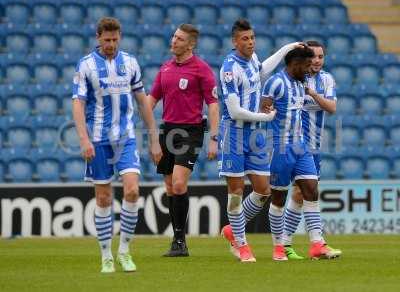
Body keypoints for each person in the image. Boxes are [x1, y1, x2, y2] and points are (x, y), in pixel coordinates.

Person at [72, 17, 162, 273]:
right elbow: (77, 103)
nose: (111, 44)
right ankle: (106, 256)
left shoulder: (130, 63)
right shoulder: (86, 65)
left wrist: (154, 139)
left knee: (132, 191)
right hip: (98, 139)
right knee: (103, 197)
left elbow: (143, 101)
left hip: (126, 138)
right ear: (98, 38)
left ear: (119, 37)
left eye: (115, 39)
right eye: (107, 39)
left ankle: (124, 251)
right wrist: (83, 139)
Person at [218, 18, 303, 263]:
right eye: (245, 39)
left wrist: (287, 48)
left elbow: (263, 70)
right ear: (235, 42)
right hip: (234, 132)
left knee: (263, 190)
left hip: (255, 134)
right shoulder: (228, 68)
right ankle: (242, 246)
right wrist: (264, 118)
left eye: (253, 38)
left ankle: (232, 230)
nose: (250, 42)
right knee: (235, 192)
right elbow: (234, 111)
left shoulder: (253, 60)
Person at [260, 46, 338, 261]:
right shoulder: (276, 82)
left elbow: (328, 107)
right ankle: (279, 247)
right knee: (278, 199)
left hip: (301, 147)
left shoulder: (302, 83)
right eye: (305, 64)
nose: (309, 68)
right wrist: (269, 114)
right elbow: (263, 109)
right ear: (294, 64)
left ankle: (316, 244)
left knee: (311, 190)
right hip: (281, 148)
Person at [148, 24, 219, 257]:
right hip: (168, 130)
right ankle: (178, 241)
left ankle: (180, 241)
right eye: (173, 37)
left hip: (191, 131)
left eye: (179, 38)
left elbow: (213, 104)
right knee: (169, 186)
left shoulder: (202, 69)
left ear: (190, 44)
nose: (173, 41)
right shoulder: (165, 68)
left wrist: (214, 138)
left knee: (178, 184)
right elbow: (151, 100)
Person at [281, 40, 342, 259]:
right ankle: (315, 243)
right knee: (302, 191)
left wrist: (313, 94)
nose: (316, 61)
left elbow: (332, 108)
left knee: (299, 193)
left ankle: (285, 244)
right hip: (295, 144)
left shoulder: (326, 79)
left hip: (315, 146)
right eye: (313, 57)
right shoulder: (296, 77)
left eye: (320, 57)